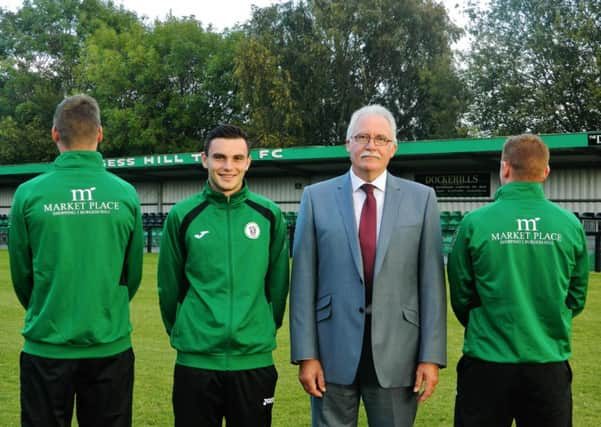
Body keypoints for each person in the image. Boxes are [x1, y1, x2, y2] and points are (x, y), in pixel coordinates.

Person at [289, 104, 447, 427]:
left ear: (393, 147)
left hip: (398, 353)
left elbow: (432, 284)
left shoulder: (422, 199)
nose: (370, 145)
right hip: (331, 352)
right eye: (361, 136)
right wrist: (306, 355)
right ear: (348, 143)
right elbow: (303, 282)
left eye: (379, 138)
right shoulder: (315, 198)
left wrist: (431, 356)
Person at [8, 94, 144, 427]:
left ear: (55, 134)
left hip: (46, 349)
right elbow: (133, 273)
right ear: (100, 134)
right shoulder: (125, 193)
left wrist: (47, 306)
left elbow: (22, 273)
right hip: (109, 346)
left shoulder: (28, 194)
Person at [447, 133, 589, 427]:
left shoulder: (475, 222)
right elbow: (576, 296)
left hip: (486, 362)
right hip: (547, 362)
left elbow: (461, 294)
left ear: (505, 168)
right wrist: (547, 321)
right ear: (546, 171)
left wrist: (484, 323)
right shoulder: (570, 224)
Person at [157, 124, 290, 427]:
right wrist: (186, 330)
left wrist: (262, 326)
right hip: (196, 360)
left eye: (236, 158)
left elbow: (279, 286)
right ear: (204, 159)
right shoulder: (182, 215)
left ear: (248, 162)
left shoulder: (269, 215)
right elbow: (168, 287)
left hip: (253, 359)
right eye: (219, 157)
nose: (228, 167)